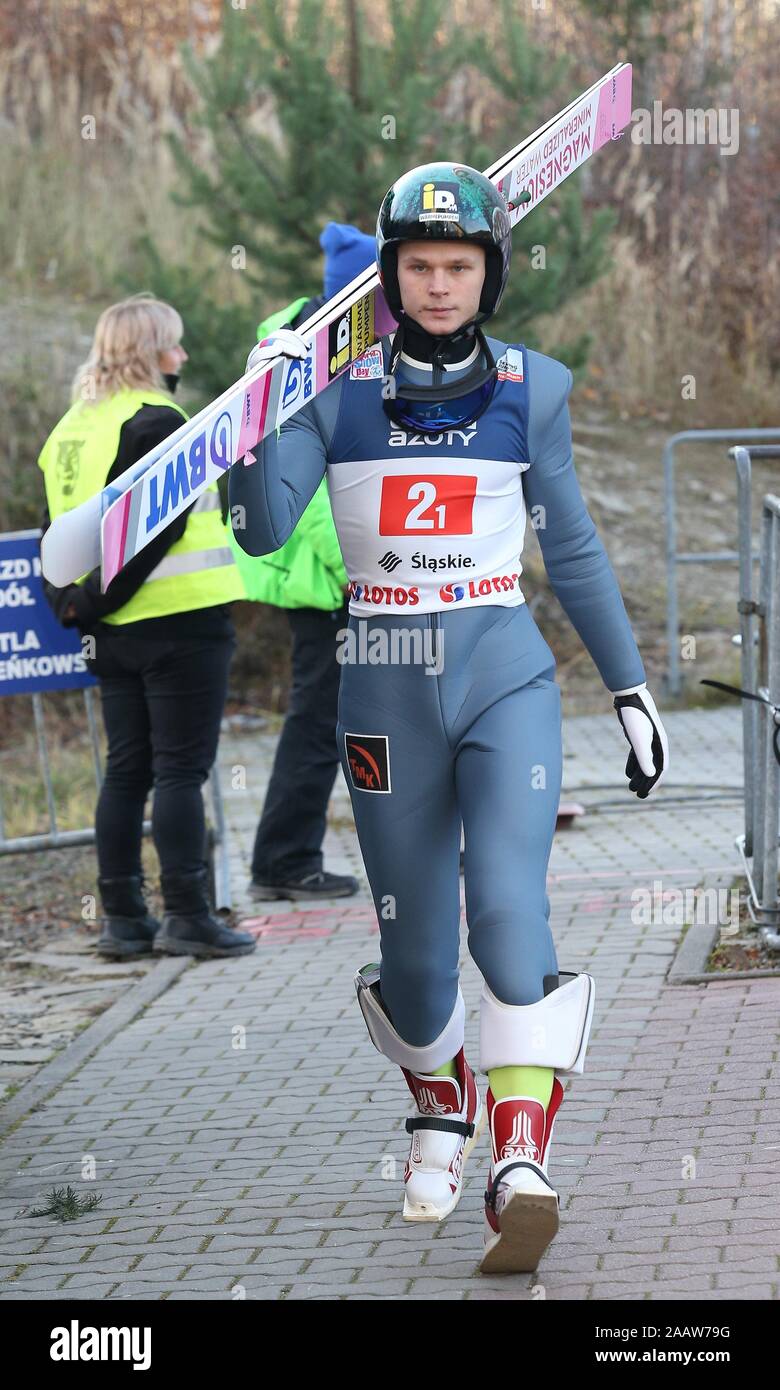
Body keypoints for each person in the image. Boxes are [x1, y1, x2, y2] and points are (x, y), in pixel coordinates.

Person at [229, 164, 669, 1272]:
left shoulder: (536, 387)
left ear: (490, 274)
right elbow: (261, 528)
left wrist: (628, 684)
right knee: (417, 957)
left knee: (508, 907)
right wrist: (256, 411)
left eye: (457, 266)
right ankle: (441, 1098)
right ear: (388, 277)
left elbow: (569, 545)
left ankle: (521, 1156)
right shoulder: (333, 391)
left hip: (502, 673)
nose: (437, 285)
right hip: (379, 684)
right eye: (418, 266)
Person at [39, 293, 255, 961]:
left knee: (126, 772)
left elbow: (54, 531)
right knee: (181, 773)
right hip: (177, 623)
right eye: (175, 344)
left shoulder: (72, 427)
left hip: (110, 633)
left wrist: (69, 605)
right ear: (150, 352)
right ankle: (187, 915)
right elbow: (149, 538)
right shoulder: (160, 420)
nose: (183, 356)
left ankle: (123, 919)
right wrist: (99, 602)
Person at [228, 224, 374, 900]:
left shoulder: (304, 335)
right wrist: (357, 573)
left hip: (327, 572)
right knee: (321, 722)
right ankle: (282, 862)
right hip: (333, 579)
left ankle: (413, 850)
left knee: (361, 716)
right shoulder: (317, 354)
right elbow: (311, 488)